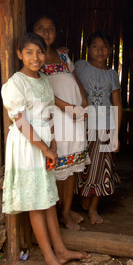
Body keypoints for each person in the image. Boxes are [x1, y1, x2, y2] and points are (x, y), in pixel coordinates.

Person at [1, 33, 90, 265]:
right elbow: (22, 123)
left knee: (49, 199)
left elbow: (48, 113)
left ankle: (60, 251)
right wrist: (45, 148)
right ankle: (50, 259)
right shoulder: (15, 83)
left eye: (39, 52)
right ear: (19, 54)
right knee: (36, 204)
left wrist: (52, 142)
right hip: (27, 147)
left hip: (44, 146)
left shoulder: (43, 80)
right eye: (29, 52)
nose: (35, 57)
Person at [32, 13, 90, 231]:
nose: (47, 32)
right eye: (41, 28)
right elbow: (44, 89)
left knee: (72, 165)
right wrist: (68, 108)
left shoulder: (63, 54)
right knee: (57, 165)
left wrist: (82, 102)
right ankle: (55, 213)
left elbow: (75, 79)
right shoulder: (35, 57)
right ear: (33, 31)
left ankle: (66, 212)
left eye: (51, 28)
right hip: (56, 117)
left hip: (74, 116)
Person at [74, 31, 122, 225]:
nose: (99, 50)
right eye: (95, 46)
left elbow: (117, 104)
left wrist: (116, 134)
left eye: (104, 47)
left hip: (104, 126)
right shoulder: (79, 66)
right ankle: (82, 196)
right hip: (80, 125)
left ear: (110, 50)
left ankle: (93, 208)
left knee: (101, 167)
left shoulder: (112, 74)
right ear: (88, 49)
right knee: (80, 165)